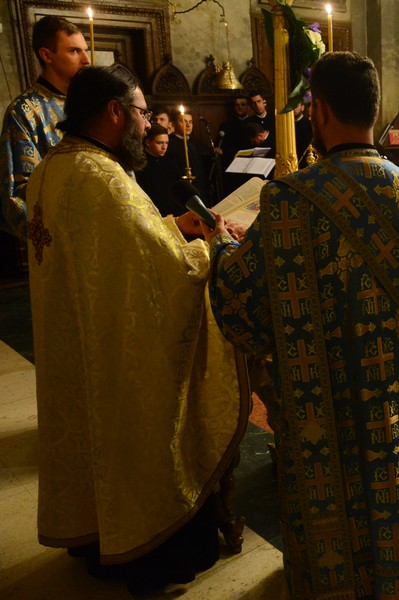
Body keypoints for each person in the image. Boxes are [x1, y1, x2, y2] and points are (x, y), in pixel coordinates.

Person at [206, 51, 399, 599]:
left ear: (317, 114)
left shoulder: (289, 201)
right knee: (383, 481)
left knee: (321, 487)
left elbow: (238, 298)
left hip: (311, 391)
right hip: (384, 384)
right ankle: (384, 580)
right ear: (374, 109)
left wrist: (222, 248)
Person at [25, 65, 246, 594]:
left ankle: (93, 533)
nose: (149, 125)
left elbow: (115, 252)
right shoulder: (102, 178)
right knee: (135, 429)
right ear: (115, 112)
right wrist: (209, 247)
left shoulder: (51, 169)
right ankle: (151, 548)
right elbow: (164, 274)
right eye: (144, 112)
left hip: (73, 344)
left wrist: (174, 227)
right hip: (114, 358)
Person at [1, 16, 89, 239]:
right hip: (62, 237)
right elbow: (18, 192)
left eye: (85, 50)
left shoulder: (91, 104)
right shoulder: (24, 111)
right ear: (46, 55)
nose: (87, 60)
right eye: (74, 51)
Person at [136, 123, 182, 217]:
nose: (164, 147)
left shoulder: (170, 163)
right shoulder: (139, 164)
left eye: (166, 143)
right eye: (160, 143)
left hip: (175, 215)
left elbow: (178, 190)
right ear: (148, 142)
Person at [166, 107, 207, 196]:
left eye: (190, 122)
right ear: (174, 124)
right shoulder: (169, 143)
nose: (188, 125)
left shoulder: (192, 142)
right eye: (183, 121)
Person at [294, 99, 314, 168]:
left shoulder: (308, 124)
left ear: (302, 107)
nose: (294, 109)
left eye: (296, 106)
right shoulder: (288, 125)